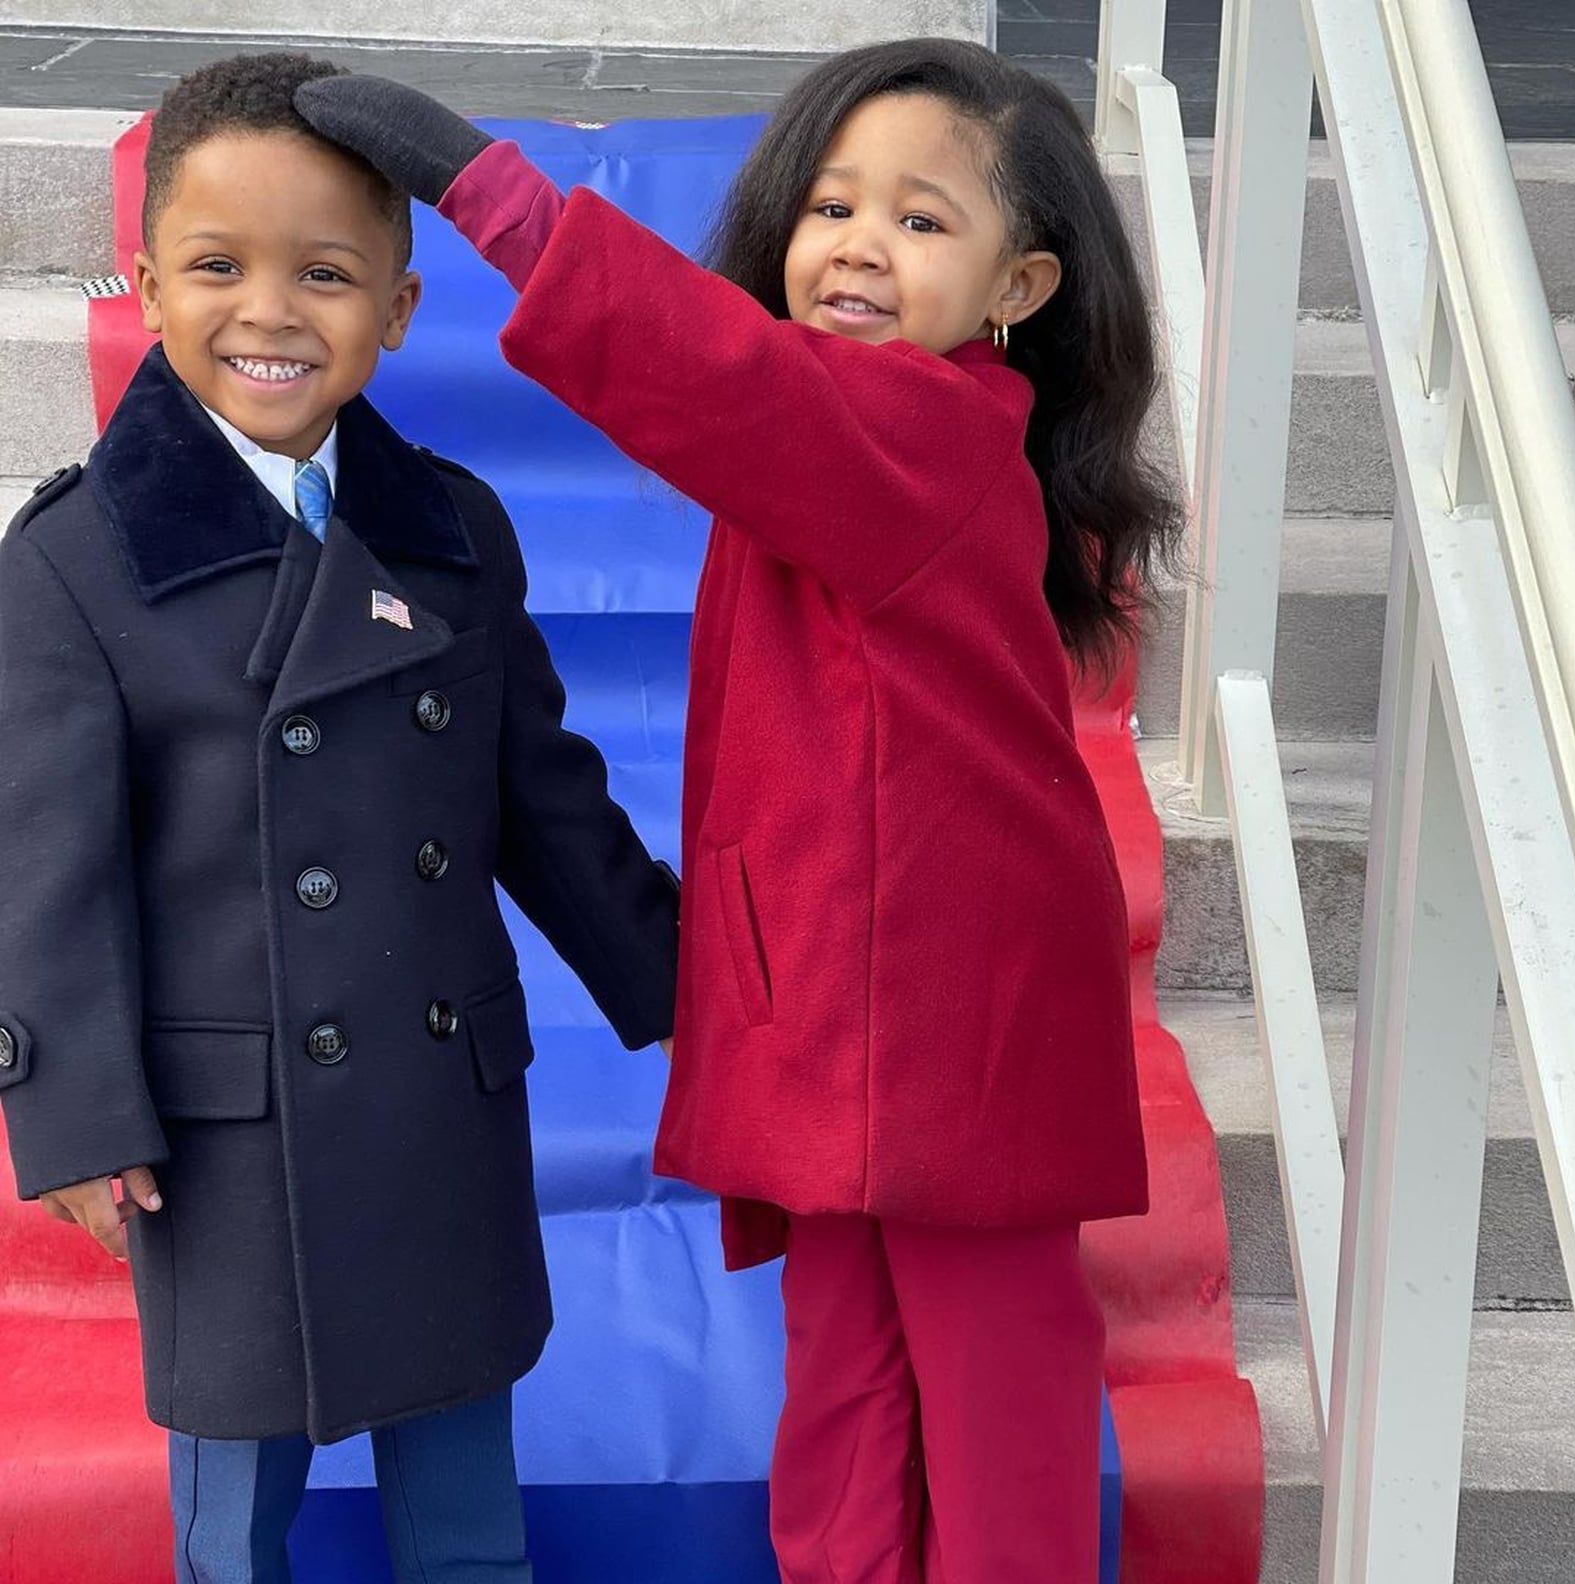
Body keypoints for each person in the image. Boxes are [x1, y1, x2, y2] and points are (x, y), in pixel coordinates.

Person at [298, 36, 1174, 1583]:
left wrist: (488, 189)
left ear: (1017, 289)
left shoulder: (923, 432)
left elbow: (717, 376)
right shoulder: (846, 438)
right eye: (832, 206)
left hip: (956, 1034)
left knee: (996, 1410)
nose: (859, 244)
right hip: (851, 1021)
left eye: (921, 219)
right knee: (849, 1377)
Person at [0, 51, 679, 1584]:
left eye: (324, 272)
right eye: (217, 267)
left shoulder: (453, 530)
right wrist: (75, 1112)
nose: (271, 312)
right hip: (233, 1134)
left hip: (438, 1100)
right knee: (234, 1525)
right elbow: (47, 874)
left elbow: (543, 802)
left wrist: (688, 984)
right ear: (146, 286)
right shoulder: (73, 563)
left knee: (464, 1511)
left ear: (400, 307)